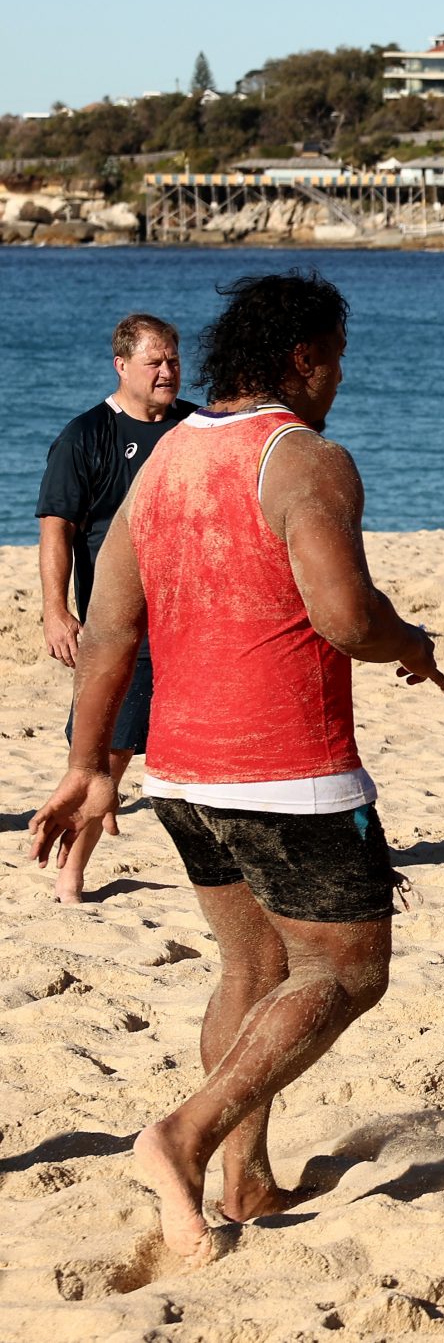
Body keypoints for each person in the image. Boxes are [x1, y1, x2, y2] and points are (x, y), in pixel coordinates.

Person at [29, 271, 444, 1262]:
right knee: (346, 968)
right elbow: (345, 617)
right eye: (336, 359)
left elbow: (107, 634)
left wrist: (93, 764)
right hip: (286, 772)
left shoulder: (165, 457)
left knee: (254, 966)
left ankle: (248, 1183)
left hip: (177, 770)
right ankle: (183, 1138)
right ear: (304, 359)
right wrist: (409, 640)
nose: (340, 379)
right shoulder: (303, 458)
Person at [34, 312, 195, 904]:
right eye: (154, 361)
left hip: (192, 617)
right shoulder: (86, 436)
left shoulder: (196, 426)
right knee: (112, 753)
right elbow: (57, 529)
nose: (167, 371)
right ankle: (71, 871)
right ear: (121, 365)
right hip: (121, 624)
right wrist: (56, 611)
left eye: (174, 359)